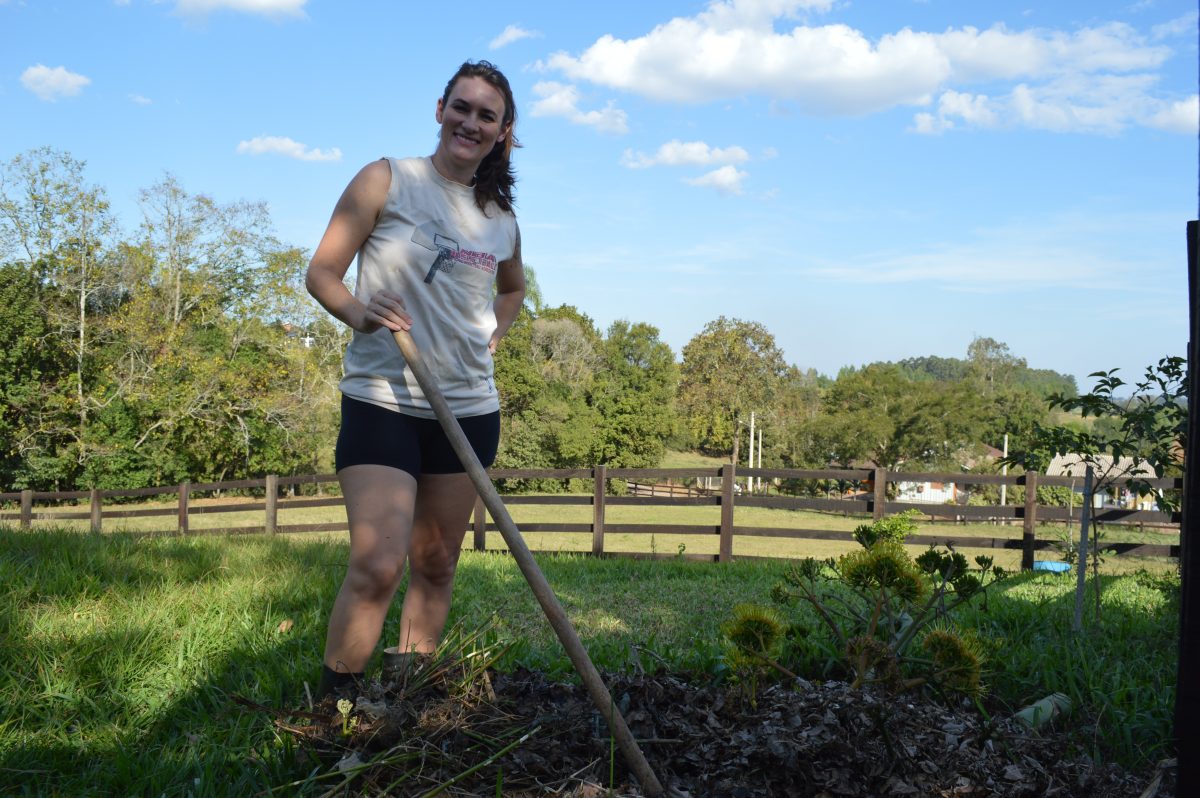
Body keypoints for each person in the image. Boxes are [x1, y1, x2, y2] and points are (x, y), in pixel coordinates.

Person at [305, 60, 525, 698]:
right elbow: (322, 272)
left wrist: (494, 332)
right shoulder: (387, 179)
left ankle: (407, 703)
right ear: (440, 109)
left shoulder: (501, 220)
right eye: (462, 107)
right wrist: (358, 311)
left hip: (468, 410)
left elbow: (510, 290)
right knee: (377, 563)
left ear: (502, 131)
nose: (471, 122)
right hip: (383, 401)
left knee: (436, 562)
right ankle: (335, 710)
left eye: (487, 115)